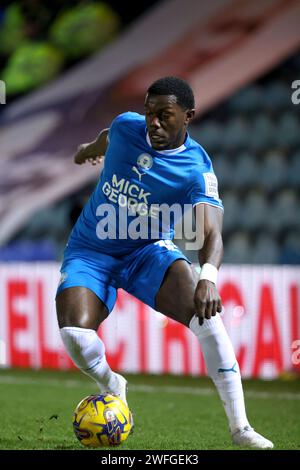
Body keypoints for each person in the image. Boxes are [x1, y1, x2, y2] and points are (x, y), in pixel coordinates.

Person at [56, 76, 273, 449]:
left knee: (208, 320)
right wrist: (87, 151)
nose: (152, 122)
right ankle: (112, 384)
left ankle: (241, 428)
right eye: (149, 113)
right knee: (75, 336)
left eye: (164, 115)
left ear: (188, 116)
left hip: (147, 253)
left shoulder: (196, 170)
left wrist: (208, 276)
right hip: (91, 251)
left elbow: (211, 233)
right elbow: (109, 136)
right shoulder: (128, 128)